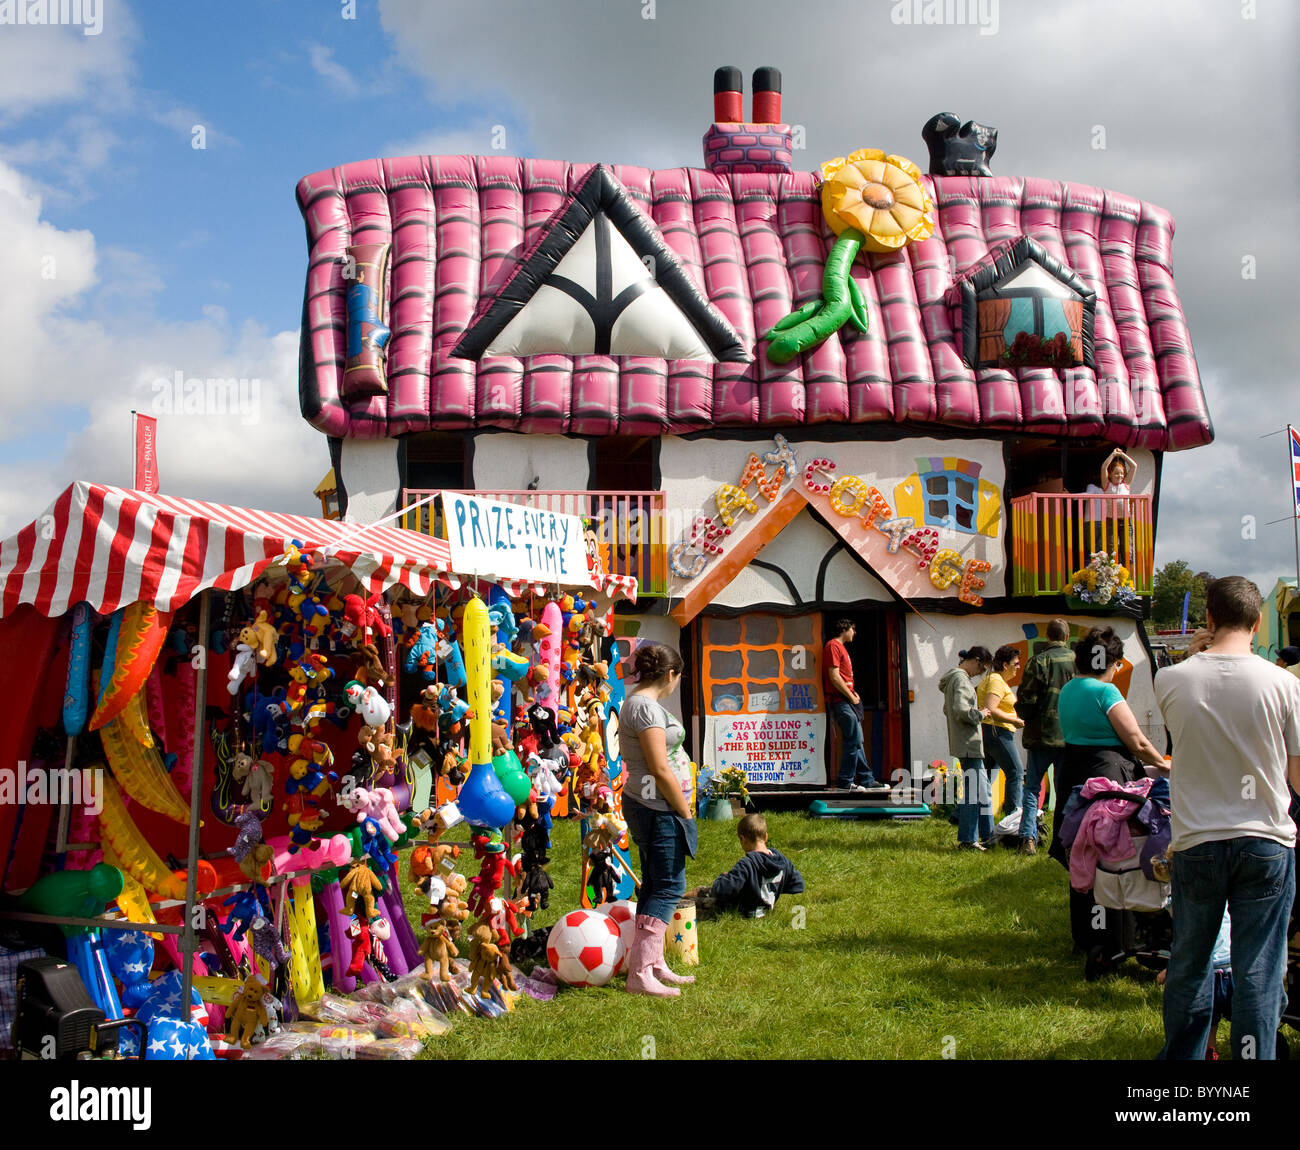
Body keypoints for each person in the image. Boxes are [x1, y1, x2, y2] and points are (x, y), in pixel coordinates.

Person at [1154, 576, 1300, 1061]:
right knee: (1258, 964)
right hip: (1265, 837)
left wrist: (1195, 654)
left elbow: (1186, 726)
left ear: (1209, 619)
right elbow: (1297, 775)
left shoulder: (1170, 678)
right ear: (1258, 623)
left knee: (1191, 961)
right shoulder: (1284, 683)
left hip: (1198, 840)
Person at [1053, 626, 1168, 956]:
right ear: (1113, 662)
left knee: (1082, 852)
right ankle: (1112, 938)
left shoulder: (1070, 689)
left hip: (1074, 772)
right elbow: (1138, 742)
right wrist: (1164, 764)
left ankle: (1088, 937)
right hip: (1108, 776)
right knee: (1114, 856)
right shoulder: (1106, 693)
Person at [620, 643, 697, 997]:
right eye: (677, 678)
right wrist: (685, 810)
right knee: (668, 885)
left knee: (654, 883)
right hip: (658, 807)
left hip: (651, 804)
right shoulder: (646, 711)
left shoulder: (638, 704)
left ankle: (652, 962)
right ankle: (639, 974)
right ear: (670, 675)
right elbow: (660, 768)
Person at [1014, 619, 1076, 856]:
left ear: (1048, 637)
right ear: (1067, 636)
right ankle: (1064, 839)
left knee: (1032, 789)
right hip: (1069, 734)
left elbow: (1027, 699)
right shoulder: (1076, 662)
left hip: (1040, 735)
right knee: (1064, 789)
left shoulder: (1038, 661)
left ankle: (1028, 838)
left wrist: (1025, 716)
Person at [687, 813, 805, 919]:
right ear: (766, 837)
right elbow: (798, 884)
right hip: (765, 910)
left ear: (742, 839)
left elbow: (722, 890)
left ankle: (676, 903)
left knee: (702, 896)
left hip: (743, 912)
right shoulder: (781, 860)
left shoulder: (747, 864)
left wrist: (722, 878)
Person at [940, 647, 994, 851]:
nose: (979, 673)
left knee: (982, 789)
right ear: (975, 660)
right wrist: (980, 714)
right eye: (981, 668)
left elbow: (948, 709)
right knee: (975, 792)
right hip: (969, 743)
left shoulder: (953, 679)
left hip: (963, 742)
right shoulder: (962, 679)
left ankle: (986, 835)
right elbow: (961, 710)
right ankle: (969, 840)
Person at [822, 619, 882, 791]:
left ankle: (866, 779)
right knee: (853, 739)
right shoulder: (833, 645)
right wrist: (850, 695)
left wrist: (853, 694)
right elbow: (834, 676)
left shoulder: (841, 648)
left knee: (857, 741)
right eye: (853, 629)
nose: (854, 633)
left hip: (847, 699)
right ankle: (845, 781)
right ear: (844, 629)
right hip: (840, 700)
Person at [977, 645, 1025, 821]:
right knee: (1016, 772)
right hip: (998, 732)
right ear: (1006, 665)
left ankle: (963, 815)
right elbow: (990, 708)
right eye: (1016, 663)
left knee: (985, 777)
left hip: (989, 731)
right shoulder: (996, 681)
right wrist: (1014, 720)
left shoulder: (992, 679)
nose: (1018, 667)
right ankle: (1013, 816)